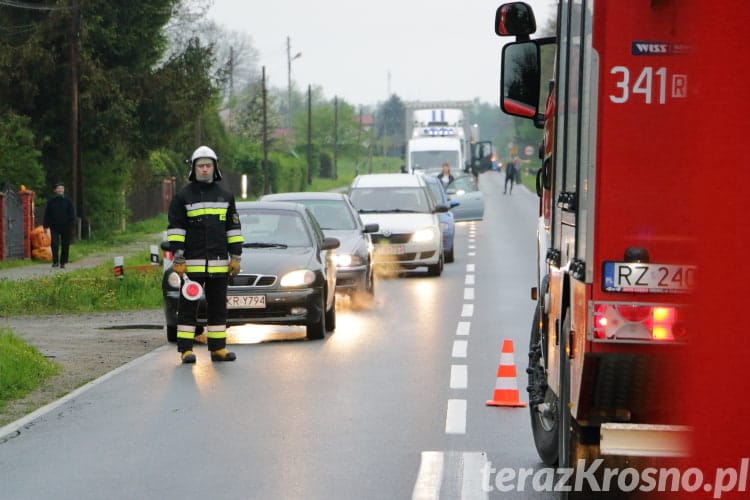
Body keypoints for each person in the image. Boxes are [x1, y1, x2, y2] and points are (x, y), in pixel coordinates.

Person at [167, 146, 244, 364]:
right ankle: (185, 350)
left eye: (208, 165)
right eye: (200, 165)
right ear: (194, 168)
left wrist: (236, 257)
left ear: (214, 168)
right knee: (188, 307)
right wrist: (178, 258)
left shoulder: (226, 196)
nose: (204, 169)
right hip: (191, 266)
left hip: (219, 264)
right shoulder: (183, 196)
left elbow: (233, 229)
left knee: (218, 306)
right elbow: (176, 228)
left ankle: (218, 349)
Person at [43, 182, 75, 268]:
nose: (60, 189)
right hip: (54, 226)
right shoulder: (51, 201)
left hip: (66, 225)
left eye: (62, 188)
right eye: (58, 188)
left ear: (63, 190)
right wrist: (45, 226)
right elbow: (47, 214)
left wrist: (71, 224)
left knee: (65, 244)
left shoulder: (68, 201)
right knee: (54, 243)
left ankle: (63, 262)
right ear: (55, 190)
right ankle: (55, 261)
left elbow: (72, 213)